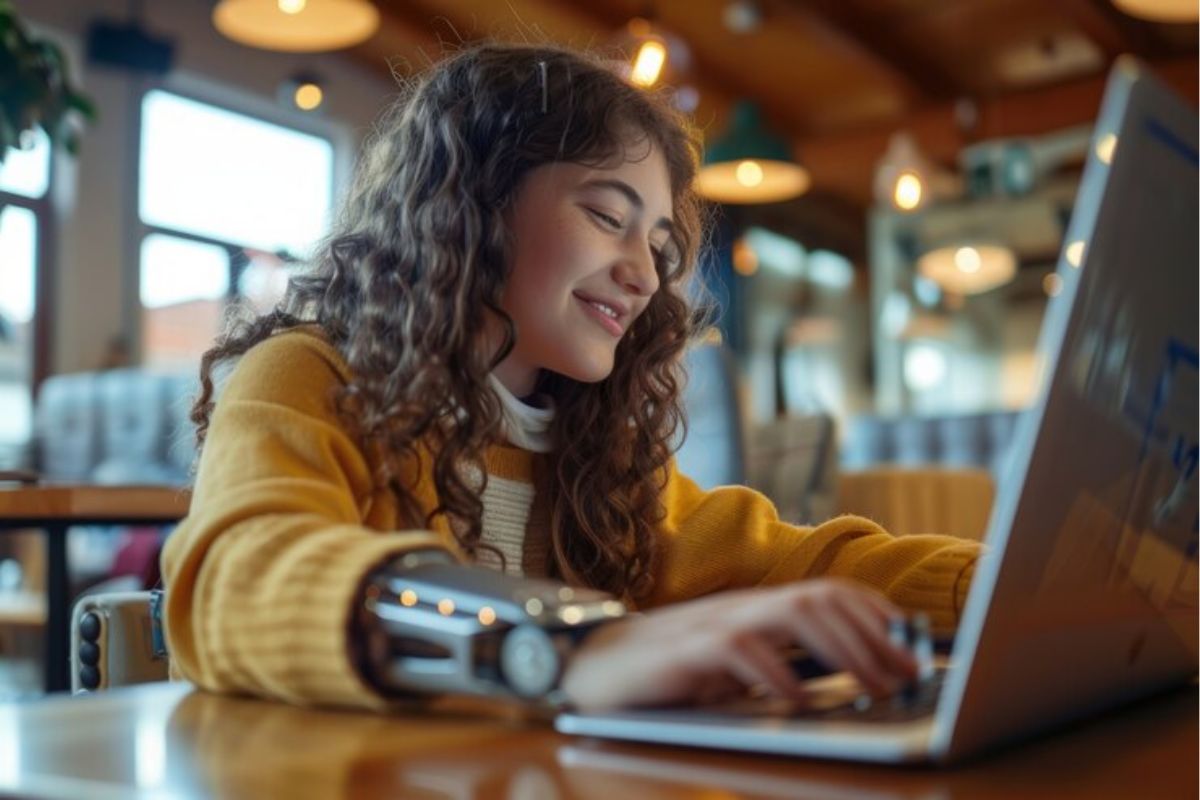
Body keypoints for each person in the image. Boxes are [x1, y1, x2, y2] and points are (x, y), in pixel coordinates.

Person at [162, 43, 980, 712]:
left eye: (656, 244)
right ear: (473, 205)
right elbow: (237, 576)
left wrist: (1013, 586)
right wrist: (559, 644)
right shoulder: (309, 379)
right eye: (605, 216)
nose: (645, 275)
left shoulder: (594, 456)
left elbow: (805, 565)